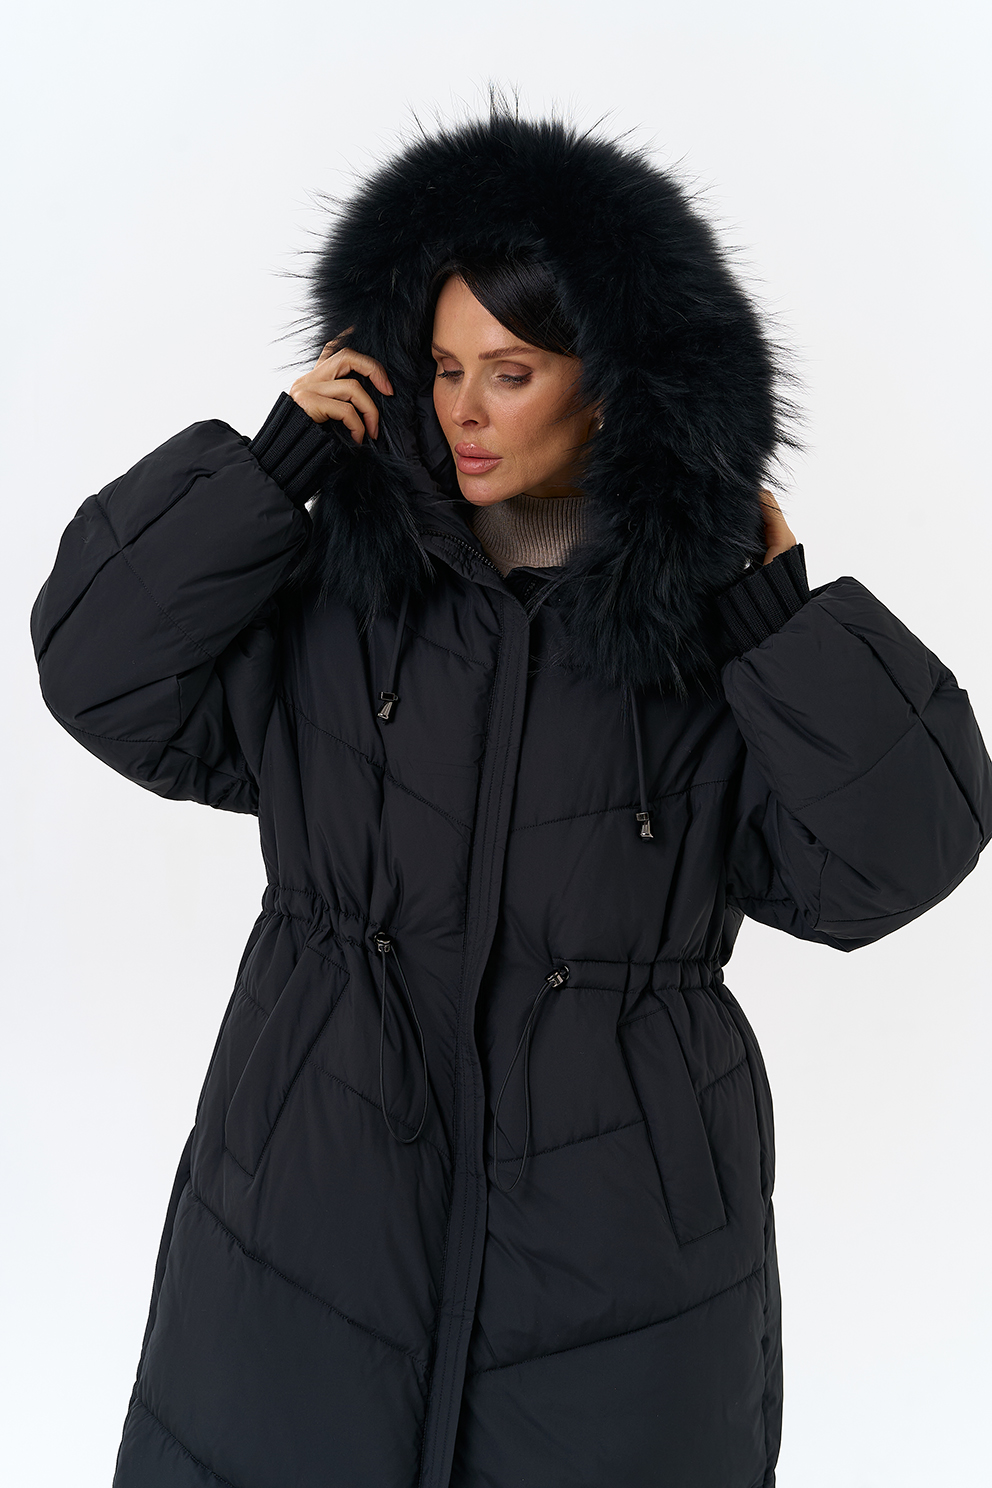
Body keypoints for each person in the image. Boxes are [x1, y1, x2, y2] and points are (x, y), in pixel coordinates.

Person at [31, 105, 991, 1488]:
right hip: (310, 1217)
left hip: (620, 1263)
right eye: (441, 368)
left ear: (613, 385)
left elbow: (895, 862)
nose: (463, 409)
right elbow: (98, 672)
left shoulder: (705, 644)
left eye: (512, 370)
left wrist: (782, 628)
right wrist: (268, 475)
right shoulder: (341, 600)